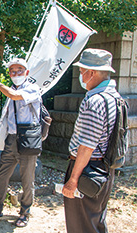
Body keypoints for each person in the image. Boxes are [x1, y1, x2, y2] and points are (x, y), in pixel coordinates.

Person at [62, 48, 120, 233]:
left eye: (81, 71)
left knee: (80, 225)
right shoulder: (116, 98)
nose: (81, 75)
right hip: (104, 169)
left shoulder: (95, 101)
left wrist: (73, 180)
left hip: (87, 170)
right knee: (94, 222)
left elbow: (87, 145)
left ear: (91, 73)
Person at [0, 58, 42, 227]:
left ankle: (25, 213)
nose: (16, 74)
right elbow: (8, 114)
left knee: (27, 179)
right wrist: (0, 127)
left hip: (27, 139)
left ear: (27, 73)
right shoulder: (10, 90)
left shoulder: (32, 89)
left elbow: (15, 97)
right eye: (12, 71)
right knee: (2, 175)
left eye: (19, 70)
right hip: (11, 139)